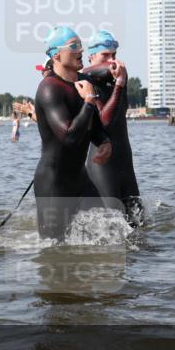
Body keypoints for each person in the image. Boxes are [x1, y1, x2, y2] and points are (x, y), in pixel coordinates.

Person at [33, 26, 112, 240]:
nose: (81, 50)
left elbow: (92, 125)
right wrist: (88, 101)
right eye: (74, 46)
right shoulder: (49, 88)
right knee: (54, 249)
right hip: (53, 185)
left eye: (81, 45)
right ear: (56, 54)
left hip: (80, 180)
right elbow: (69, 137)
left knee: (109, 236)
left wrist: (104, 141)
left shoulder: (83, 83)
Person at [83, 30, 142, 226]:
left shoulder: (118, 76)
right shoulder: (85, 82)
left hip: (125, 159)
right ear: (91, 57)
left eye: (114, 55)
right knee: (113, 223)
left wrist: (119, 81)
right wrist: (119, 84)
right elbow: (104, 122)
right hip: (102, 163)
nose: (111, 61)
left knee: (138, 223)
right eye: (105, 56)